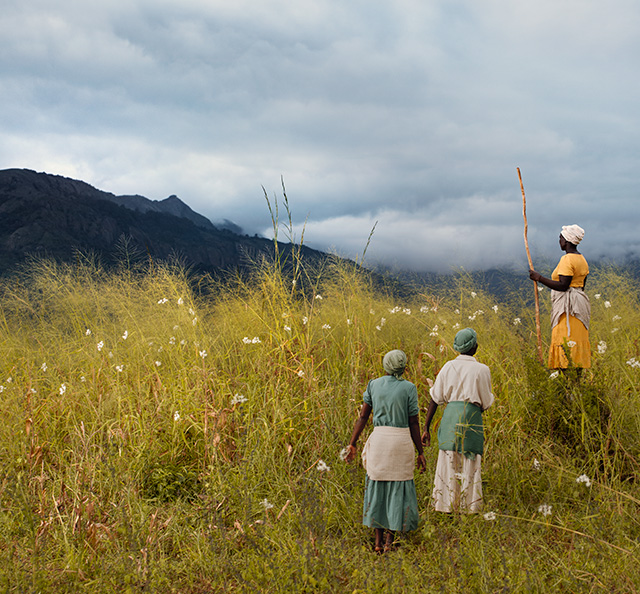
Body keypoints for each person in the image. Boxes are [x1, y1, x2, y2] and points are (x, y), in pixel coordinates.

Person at [344, 350, 426, 553]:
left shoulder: (373, 385)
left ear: (386, 365)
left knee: (378, 486)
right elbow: (414, 422)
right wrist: (421, 451)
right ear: (403, 366)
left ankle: (377, 542)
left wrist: (352, 443)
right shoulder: (409, 388)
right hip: (401, 442)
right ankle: (390, 541)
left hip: (380, 441)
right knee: (396, 488)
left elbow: (363, 417)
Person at [421, 328, 494, 513]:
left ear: (457, 348)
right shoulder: (482, 370)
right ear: (475, 347)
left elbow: (435, 398)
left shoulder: (448, 367)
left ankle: (445, 506)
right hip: (472, 418)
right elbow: (486, 402)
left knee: (448, 460)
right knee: (470, 462)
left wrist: (426, 427)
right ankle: (468, 507)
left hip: (450, 420)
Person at [529, 224, 591, 370]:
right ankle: (576, 387)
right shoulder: (582, 259)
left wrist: (539, 278)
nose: (559, 241)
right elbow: (581, 286)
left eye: (560, 238)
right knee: (576, 342)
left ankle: (566, 385)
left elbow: (563, 285)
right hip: (579, 307)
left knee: (564, 339)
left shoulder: (567, 260)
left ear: (567, 240)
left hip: (567, 309)